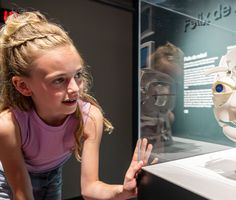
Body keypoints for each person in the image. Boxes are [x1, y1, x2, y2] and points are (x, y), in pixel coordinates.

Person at [0, 11, 153, 200]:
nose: (74, 89)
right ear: (23, 86)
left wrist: (123, 191)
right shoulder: (8, 125)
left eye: (78, 75)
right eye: (58, 80)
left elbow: (90, 190)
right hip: (7, 179)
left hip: (52, 174)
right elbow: (23, 194)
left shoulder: (90, 117)